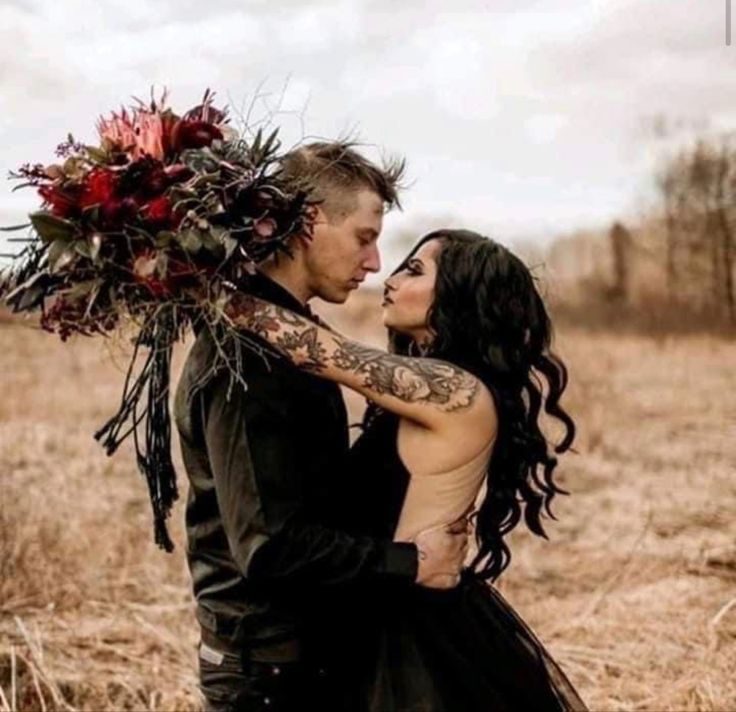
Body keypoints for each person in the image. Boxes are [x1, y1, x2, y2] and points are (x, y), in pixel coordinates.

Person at [226, 228, 589, 711]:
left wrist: (198, 283)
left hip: (405, 632)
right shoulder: (437, 384)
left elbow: (312, 347)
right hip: (391, 607)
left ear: (459, 295)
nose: (391, 279)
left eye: (415, 270)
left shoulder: (452, 389)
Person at [173, 143, 469, 712]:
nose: (375, 262)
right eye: (364, 236)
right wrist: (411, 563)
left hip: (302, 655)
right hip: (266, 671)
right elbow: (269, 547)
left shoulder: (290, 340)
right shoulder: (247, 363)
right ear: (310, 222)